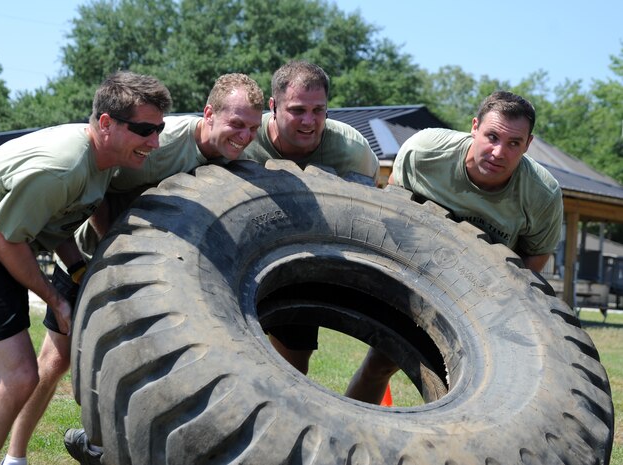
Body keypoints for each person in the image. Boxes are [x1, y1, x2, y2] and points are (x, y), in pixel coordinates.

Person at [0, 70, 172, 465]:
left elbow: (51, 223)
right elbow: (2, 239)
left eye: (159, 130)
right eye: (145, 130)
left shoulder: (103, 159)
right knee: (19, 375)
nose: (155, 143)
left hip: (1, 244)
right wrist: (56, 301)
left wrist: (77, 273)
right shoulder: (64, 166)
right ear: (106, 123)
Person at [31, 73, 264, 465]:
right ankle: (15, 454)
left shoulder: (238, 159)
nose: (244, 136)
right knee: (55, 360)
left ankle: (106, 446)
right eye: (236, 124)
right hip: (94, 254)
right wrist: (109, 252)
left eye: (253, 128)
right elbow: (100, 183)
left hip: (164, 272)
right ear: (209, 114)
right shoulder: (162, 142)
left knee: (149, 362)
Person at [345, 90, 564, 404]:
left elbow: (536, 256)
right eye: (491, 136)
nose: (499, 152)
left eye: (514, 143)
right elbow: (392, 212)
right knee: (379, 364)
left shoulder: (541, 193)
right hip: (416, 273)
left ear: (528, 145)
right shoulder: (425, 152)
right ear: (474, 127)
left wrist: (499, 305)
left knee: (474, 393)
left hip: (485, 295)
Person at [241, 60, 380, 376]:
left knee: (294, 359)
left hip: (304, 258)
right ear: (273, 106)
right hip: (240, 246)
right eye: (297, 110)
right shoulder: (245, 138)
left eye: (318, 110)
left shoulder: (351, 151)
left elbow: (368, 213)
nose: (308, 121)